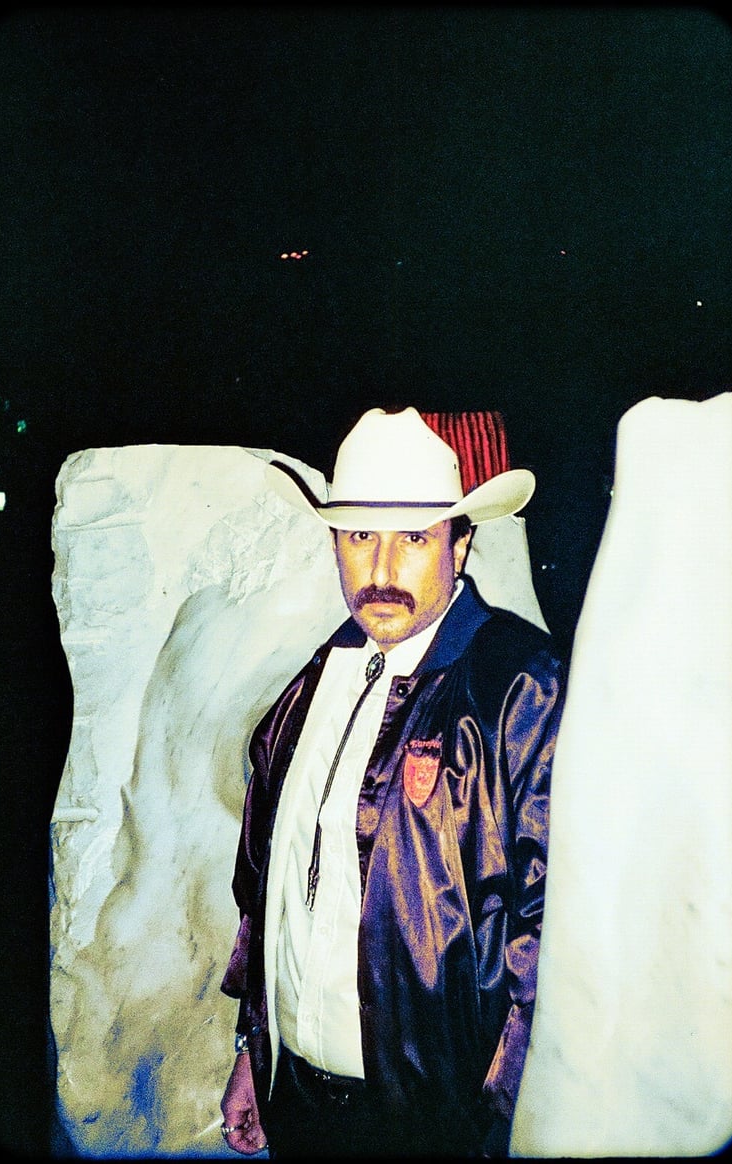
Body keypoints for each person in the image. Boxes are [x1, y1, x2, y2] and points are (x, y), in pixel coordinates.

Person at [219, 406, 566, 1158]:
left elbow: (550, 936)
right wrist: (253, 1050)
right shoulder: (318, 680)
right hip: (296, 1097)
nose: (380, 572)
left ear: (459, 543)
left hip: (430, 1125)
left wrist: (495, 1123)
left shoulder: (517, 687)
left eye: (412, 538)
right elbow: (267, 890)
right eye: (358, 537)